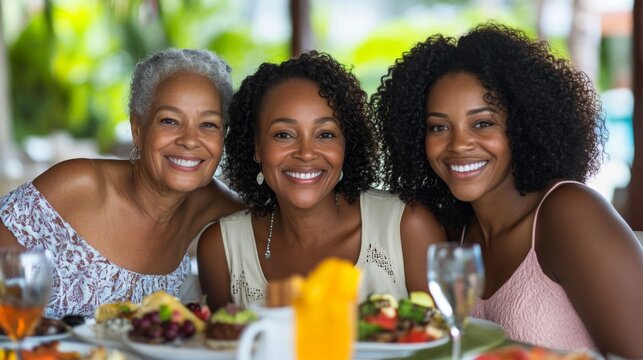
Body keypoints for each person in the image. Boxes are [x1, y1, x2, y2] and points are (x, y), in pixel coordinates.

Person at [372, 23, 643, 357]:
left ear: (522, 125)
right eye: (439, 127)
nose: (459, 145)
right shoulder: (457, 234)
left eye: (482, 123)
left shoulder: (569, 213)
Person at [0, 48, 244, 319]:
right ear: (138, 129)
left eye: (208, 125)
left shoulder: (210, 201)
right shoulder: (80, 185)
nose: (189, 139)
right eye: (170, 121)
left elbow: (280, 221)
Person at [197, 50, 446, 310]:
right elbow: (222, 347)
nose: (305, 153)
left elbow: (447, 345)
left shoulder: (408, 227)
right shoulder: (221, 249)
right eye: (283, 134)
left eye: (325, 134)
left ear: (346, 146)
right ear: (256, 146)